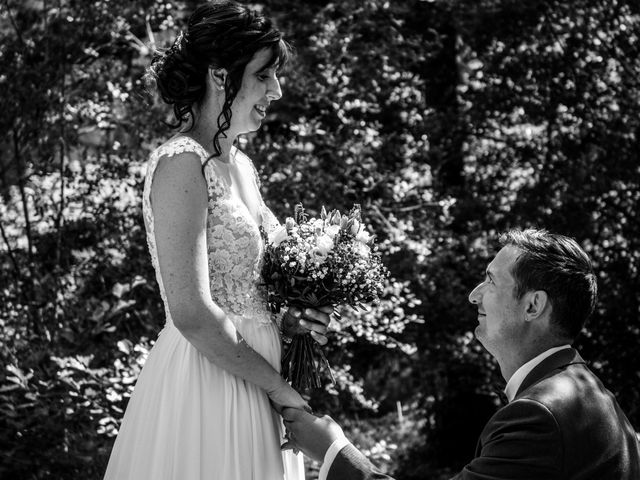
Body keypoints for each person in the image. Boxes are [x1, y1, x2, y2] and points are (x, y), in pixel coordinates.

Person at [103, 2, 331, 479]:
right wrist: (279, 390)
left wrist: (291, 321)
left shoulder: (242, 166)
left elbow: (250, 292)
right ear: (221, 76)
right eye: (264, 75)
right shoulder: (181, 164)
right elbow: (192, 313)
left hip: (260, 378)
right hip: (209, 380)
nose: (277, 89)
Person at [282, 229, 640, 480]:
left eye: (491, 281)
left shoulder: (540, 416)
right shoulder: (587, 394)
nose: (474, 295)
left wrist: (334, 451)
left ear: (533, 305)